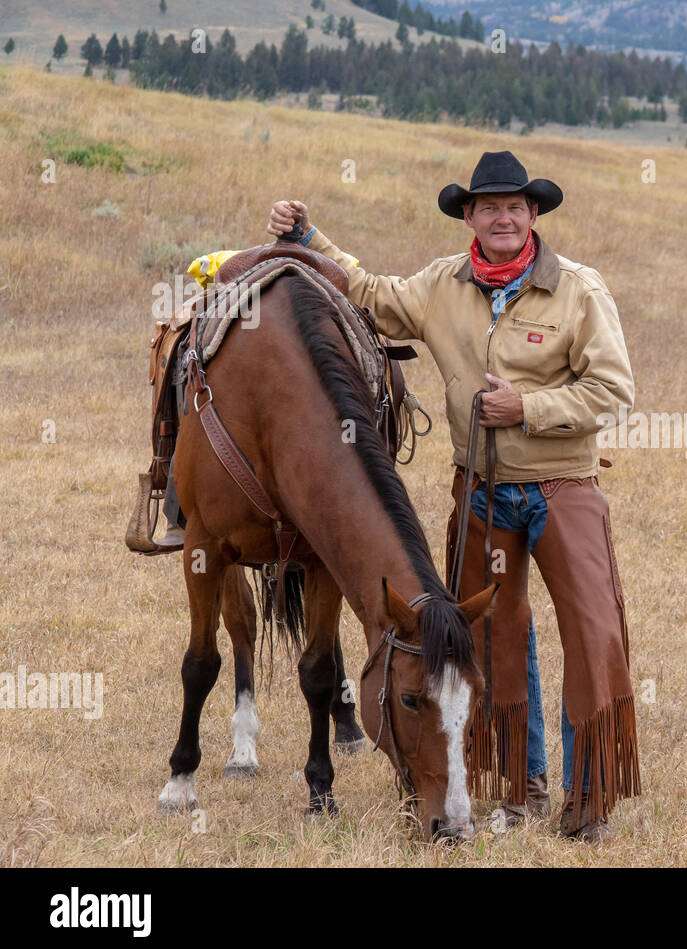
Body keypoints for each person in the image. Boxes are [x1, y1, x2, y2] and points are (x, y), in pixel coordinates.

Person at [266, 151, 640, 840]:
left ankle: (589, 802)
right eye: (489, 205)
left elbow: (614, 390)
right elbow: (371, 292)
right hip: (482, 493)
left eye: (516, 206)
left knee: (593, 632)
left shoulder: (580, 290)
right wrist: (311, 239)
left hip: (563, 486)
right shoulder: (444, 284)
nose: (504, 216)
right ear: (468, 216)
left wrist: (527, 407)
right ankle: (516, 791)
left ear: (534, 215)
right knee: (491, 637)